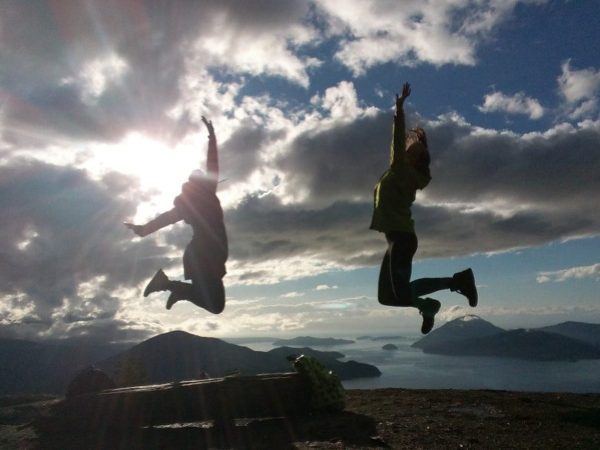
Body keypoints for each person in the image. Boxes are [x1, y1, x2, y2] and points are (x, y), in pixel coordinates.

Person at [370, 83, 477, 334]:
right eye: (410, 147)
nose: (409, 149)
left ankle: (453, 285)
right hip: (395, 238)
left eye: (415, 149)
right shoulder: (400, 171)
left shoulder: (402, 171)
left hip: (402, 238)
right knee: (387, 297)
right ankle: (433, 301)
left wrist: (399, 111)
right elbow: (397, 149)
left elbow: (396, 144)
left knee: (400, 292)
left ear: (417, 160)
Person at [125, 116, 228, 314]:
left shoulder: (191, 203)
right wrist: (212, 138)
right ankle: (168, 285)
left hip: (207, 255)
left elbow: (166, 218)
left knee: (215, 304)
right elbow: (212, 165)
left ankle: (173, 288)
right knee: (215, 305)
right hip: (203, 256)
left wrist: (144, 230)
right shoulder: (202, 197)